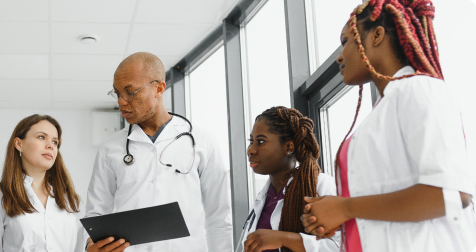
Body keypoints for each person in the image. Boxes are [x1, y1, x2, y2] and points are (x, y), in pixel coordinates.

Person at [300, 1, 475, 251]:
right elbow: (389, 204)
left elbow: (450, 194)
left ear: (377, 35)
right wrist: (338, 216)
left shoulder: (420, 89)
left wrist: (344, 208)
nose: (340, 55)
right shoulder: (385, 109)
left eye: (345, 41)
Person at [84, 52, 232, 252]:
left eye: (130, 91)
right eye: (117, 93)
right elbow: (96, 213)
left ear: (159, 88)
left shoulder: (202, 142)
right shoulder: (110, 148)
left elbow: (219, 219)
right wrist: (89, 245)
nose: (121, 101)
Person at [237, 107, 339, 252]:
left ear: (289, 146)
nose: (250, 150)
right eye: (251, 141)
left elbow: (342, 246)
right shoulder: (263, 198)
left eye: (260, 141)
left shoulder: (321, 185)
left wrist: (283, 239)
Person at [0, 114, 82, 252]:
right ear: (19, 144)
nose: (50, 146)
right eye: (41, 137)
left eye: (55, 142)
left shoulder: (70, 200)